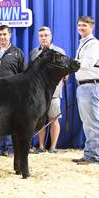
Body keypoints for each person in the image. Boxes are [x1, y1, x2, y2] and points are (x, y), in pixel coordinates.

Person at [0, 25, 27, 157]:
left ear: (10, 35)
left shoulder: (17, 52)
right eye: (0, 34)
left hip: (12, 94)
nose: (2, 37)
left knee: (11, 121)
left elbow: (24, 74)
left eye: (4, 34)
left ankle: (11, 148)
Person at [29, 26, 68, 154]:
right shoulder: (34, 53)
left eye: (46, 35)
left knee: (54, 118)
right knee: (39, 119)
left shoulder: (59, 51)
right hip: (38, 93)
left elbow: (65, 72)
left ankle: (53, 147)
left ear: (50, 37)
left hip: (54, 92)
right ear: (38, 37)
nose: (44, 38)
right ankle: (40, 146)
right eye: (41, 36)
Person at [72, 16, 99, 165]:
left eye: (84, 25)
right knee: (87, 123)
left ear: (92, 27)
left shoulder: (93, 44)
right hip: (84, 85)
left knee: (92, 122)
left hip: (91, 85)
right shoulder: (84, 43)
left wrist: (70, 64)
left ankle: (96, 157)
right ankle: (88, 154)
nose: (81, 28)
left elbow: (87, 63)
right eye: (79, 25)